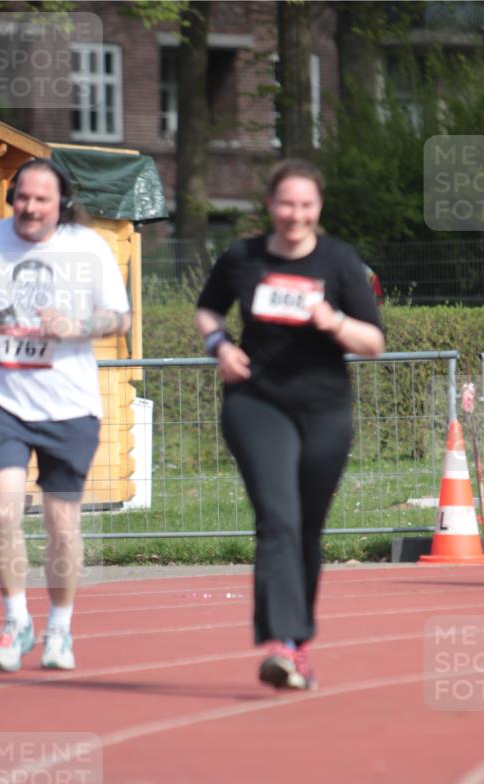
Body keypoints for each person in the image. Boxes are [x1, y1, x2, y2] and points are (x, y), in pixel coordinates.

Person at [195, 159, 384, 691]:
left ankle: (298, 646)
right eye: (286, 204)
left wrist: (334, 321)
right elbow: (208, 310)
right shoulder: (244, 257)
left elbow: (373, 343)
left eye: (305, 205)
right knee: (278, 518)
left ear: (318, 208)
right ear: (271, 206)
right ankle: (280, 641)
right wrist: (220, 347)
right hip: (256, 402)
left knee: (306, 528)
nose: (295, 215)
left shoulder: (340, 262)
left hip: (324, 408)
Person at [0, 158, 130, 672]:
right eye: (23, 196)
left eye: (42, 200)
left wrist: (75, 325)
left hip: (70, 408)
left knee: (61, 524)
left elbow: (119, 320)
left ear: (62, 204)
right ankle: (14, 621)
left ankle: (59, 628)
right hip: (0, 401)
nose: (30, 207)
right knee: (3, 510)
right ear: (12, 197)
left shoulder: (88, 248)